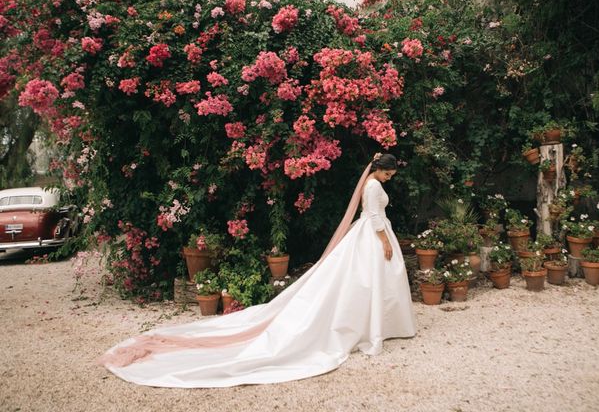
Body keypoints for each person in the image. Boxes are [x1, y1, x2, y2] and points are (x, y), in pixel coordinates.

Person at [100, 153, 416, 388]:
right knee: (366, 280)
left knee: (364, 281)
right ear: (380, 169)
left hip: (371, 232)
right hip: (373, 234)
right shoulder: (374, 187)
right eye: (389, 174)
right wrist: (383, 242)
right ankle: (370, 326)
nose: (390, 178)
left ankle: (375, 323)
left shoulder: (372, 182)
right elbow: (373, 215)